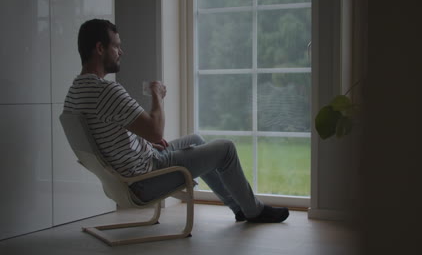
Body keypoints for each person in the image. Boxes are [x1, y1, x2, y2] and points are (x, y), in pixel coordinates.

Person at [64, 19, 289, 223]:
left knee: (197, 140)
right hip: (145, 179)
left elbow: (111, 136)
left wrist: (147, 144)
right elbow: (155, 131)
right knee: (226, 149)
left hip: (133, 171)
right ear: (100, 48)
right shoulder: (106, 91)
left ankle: (239, 208)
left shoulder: (75, 92)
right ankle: (254, 211)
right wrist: (157, 95)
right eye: (116, 46)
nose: (121, 52)